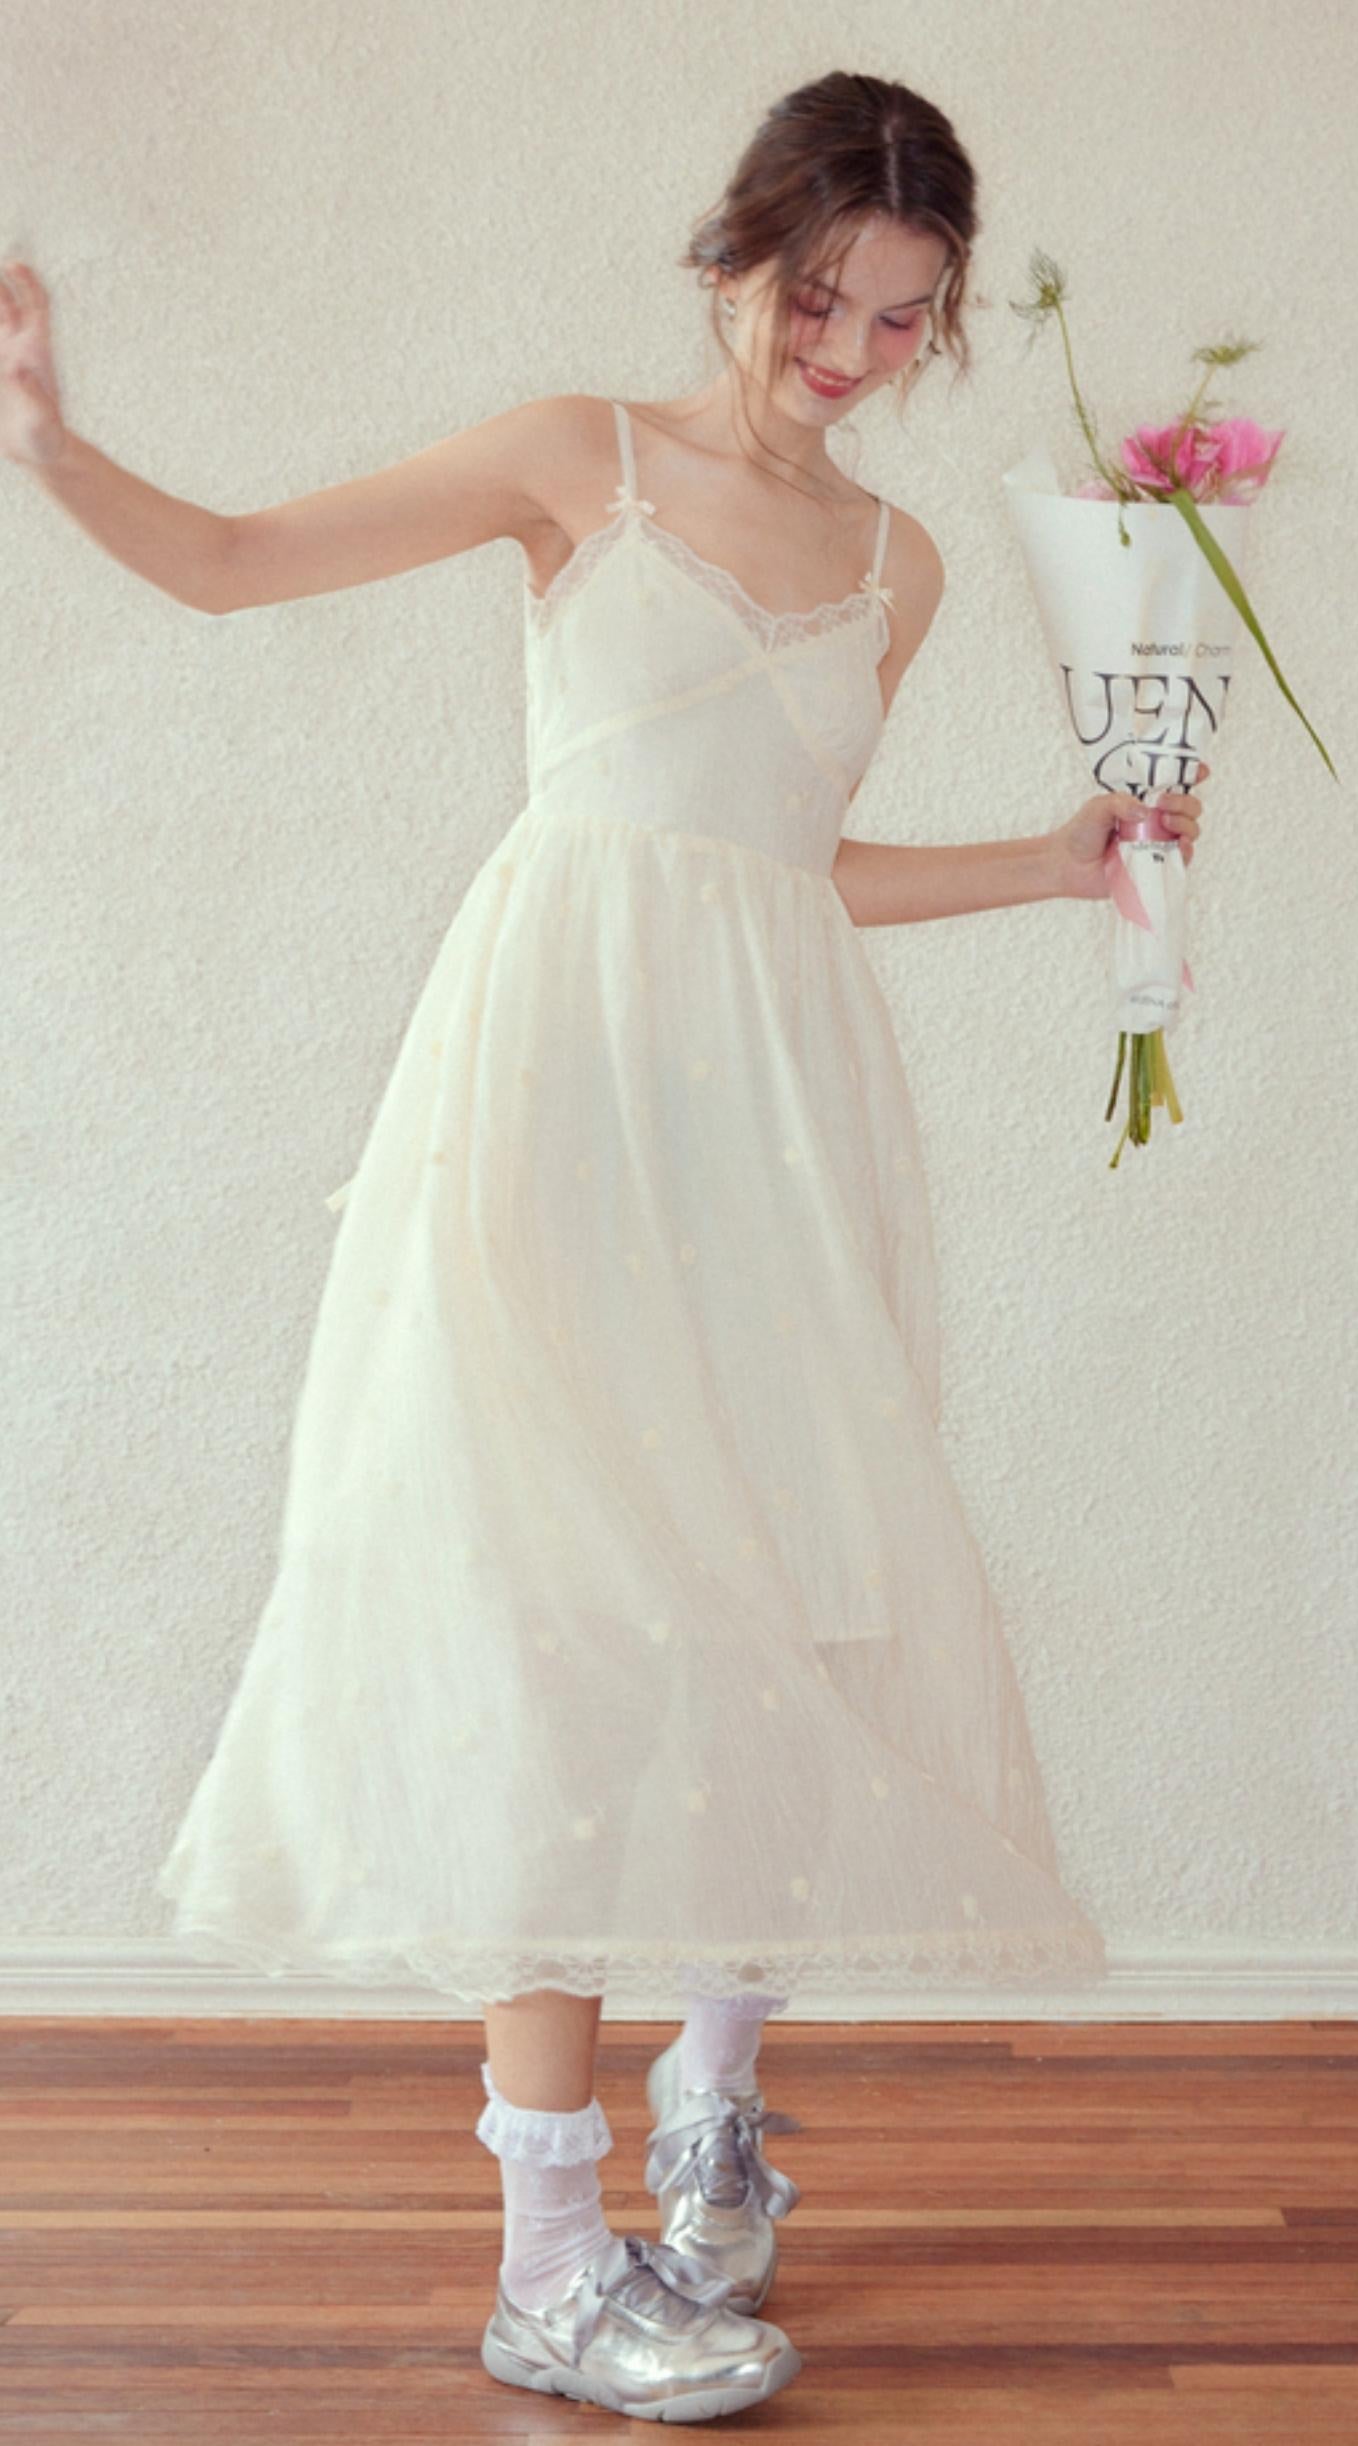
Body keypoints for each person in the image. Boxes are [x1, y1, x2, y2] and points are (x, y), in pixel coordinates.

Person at [4, 68, 1204, 2426]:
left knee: (789, 1586)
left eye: (904, 318)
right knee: (552, 1620)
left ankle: (711, 2101)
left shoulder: (905, 567)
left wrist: (1057, 865)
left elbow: (787, 859)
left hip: (775, 1112)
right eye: (820, 296)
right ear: (734, 254)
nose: (850, 352)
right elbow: (233, 560)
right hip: (551, 1097)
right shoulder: (585, 460)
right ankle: (550, 2260)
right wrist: (52, 448)